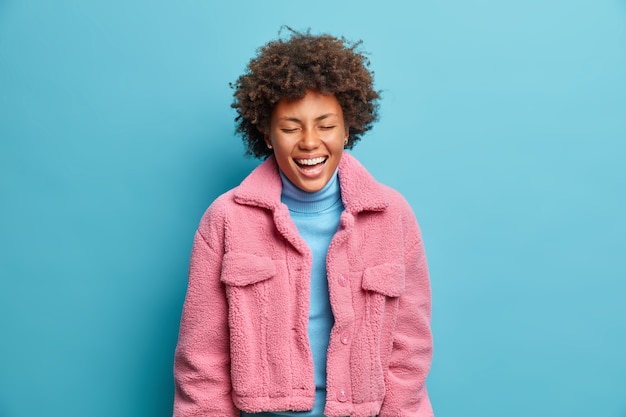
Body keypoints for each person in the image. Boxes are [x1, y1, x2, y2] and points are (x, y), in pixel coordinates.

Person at [173, 28, 434, 417]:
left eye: (326, 125)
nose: (309, 142)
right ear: (266, 133)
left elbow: (408, 353)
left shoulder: (393, 216)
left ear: (348, 129)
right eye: (291, 127)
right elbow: (202, 359)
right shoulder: (225, 219)